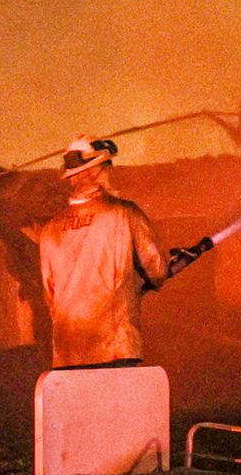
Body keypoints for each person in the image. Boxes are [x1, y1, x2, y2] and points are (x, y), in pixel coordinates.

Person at [38, 137, 169, 367]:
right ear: (98, 170)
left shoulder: (49, 230)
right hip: (116, 351)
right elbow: (157, 272)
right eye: (108, 166)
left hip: (67, 354)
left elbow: (51, 297)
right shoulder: (124, 213)